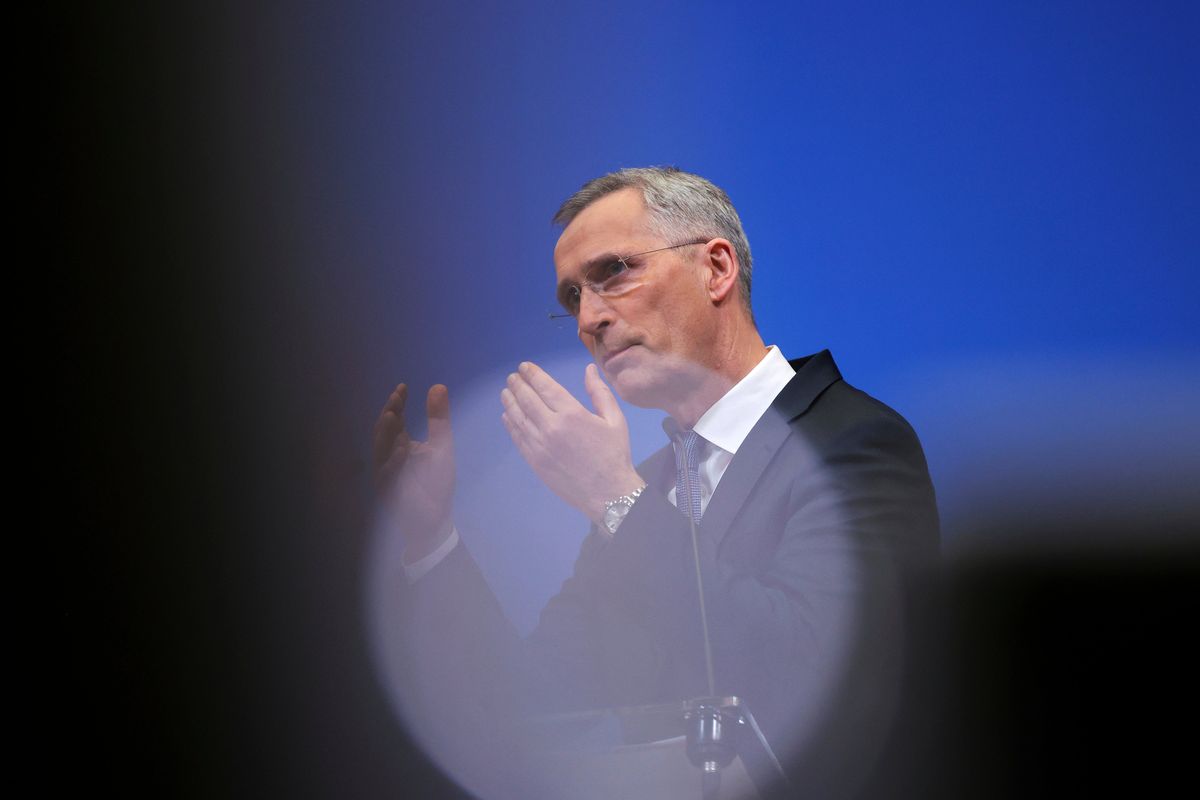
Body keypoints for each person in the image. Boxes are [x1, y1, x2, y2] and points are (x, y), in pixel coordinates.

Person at [372, 167, 939, 798]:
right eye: (571, 298)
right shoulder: (640, 490)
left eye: (614, 270)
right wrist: (430, 540)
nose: (589, 318)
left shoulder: (854, 439)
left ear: (716, 269)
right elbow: (522, 701)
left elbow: (815, 669)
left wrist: (615, 500)